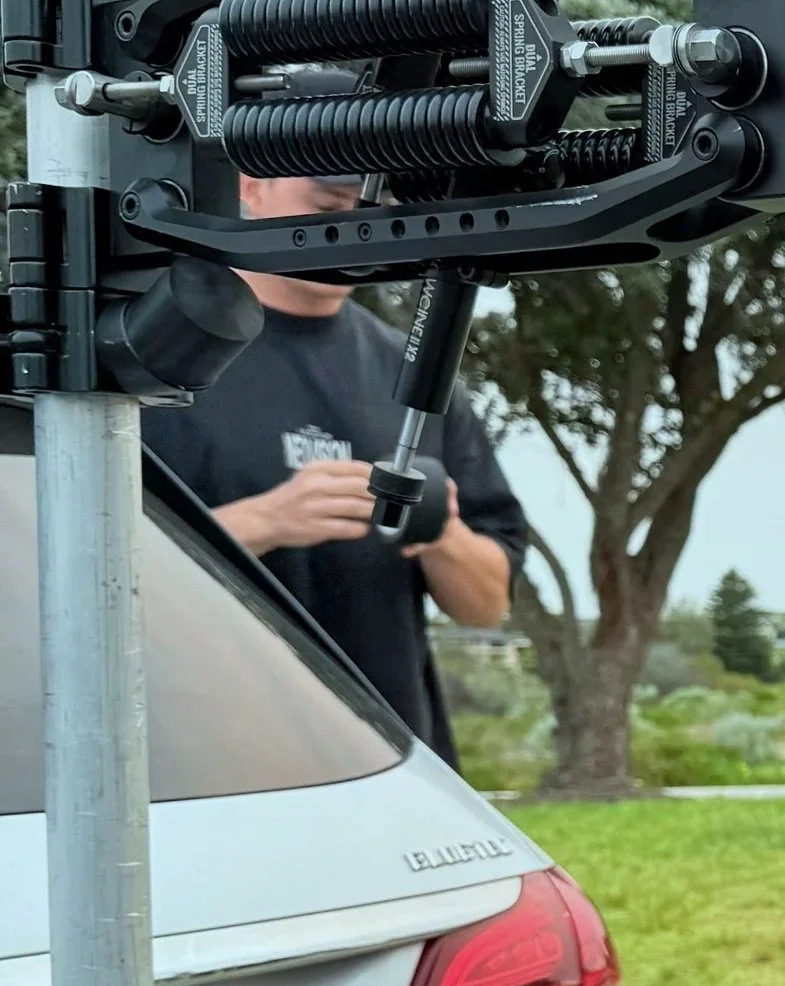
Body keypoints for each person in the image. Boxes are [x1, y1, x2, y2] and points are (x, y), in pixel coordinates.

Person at [142, 172, 529, 764]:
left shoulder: (420, 376)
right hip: (208, 764)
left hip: (387, 763)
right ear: (250, 187)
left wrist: (439, 532)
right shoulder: (152, 360)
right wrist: (265, 522)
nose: (354, 229)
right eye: (327, 206)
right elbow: (84, 576)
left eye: (373, 208)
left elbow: (487, 606)